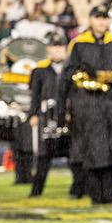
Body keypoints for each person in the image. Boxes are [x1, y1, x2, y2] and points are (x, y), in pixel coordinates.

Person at [55, 4, 112, 205]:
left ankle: (109, 194)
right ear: (91, 20)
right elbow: (66, 77)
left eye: (104, 18)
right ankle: (95, 194)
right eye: (98, 18)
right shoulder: (78, 44)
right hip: (86, 106)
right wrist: (62, 109)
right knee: (89, 152)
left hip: (111, 106)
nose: (101, 22)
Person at [26, 36, 70, 198]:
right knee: (43, 156)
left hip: (67, 117)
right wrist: (33, 114)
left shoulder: (71, 69)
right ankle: (36, 191)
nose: (57, 50)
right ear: (48, 49)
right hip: (47, 118)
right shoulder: (39, 70)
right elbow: (35, 95)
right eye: (54, 46)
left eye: (60, 47)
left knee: (74, 154)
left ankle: (78, 189)